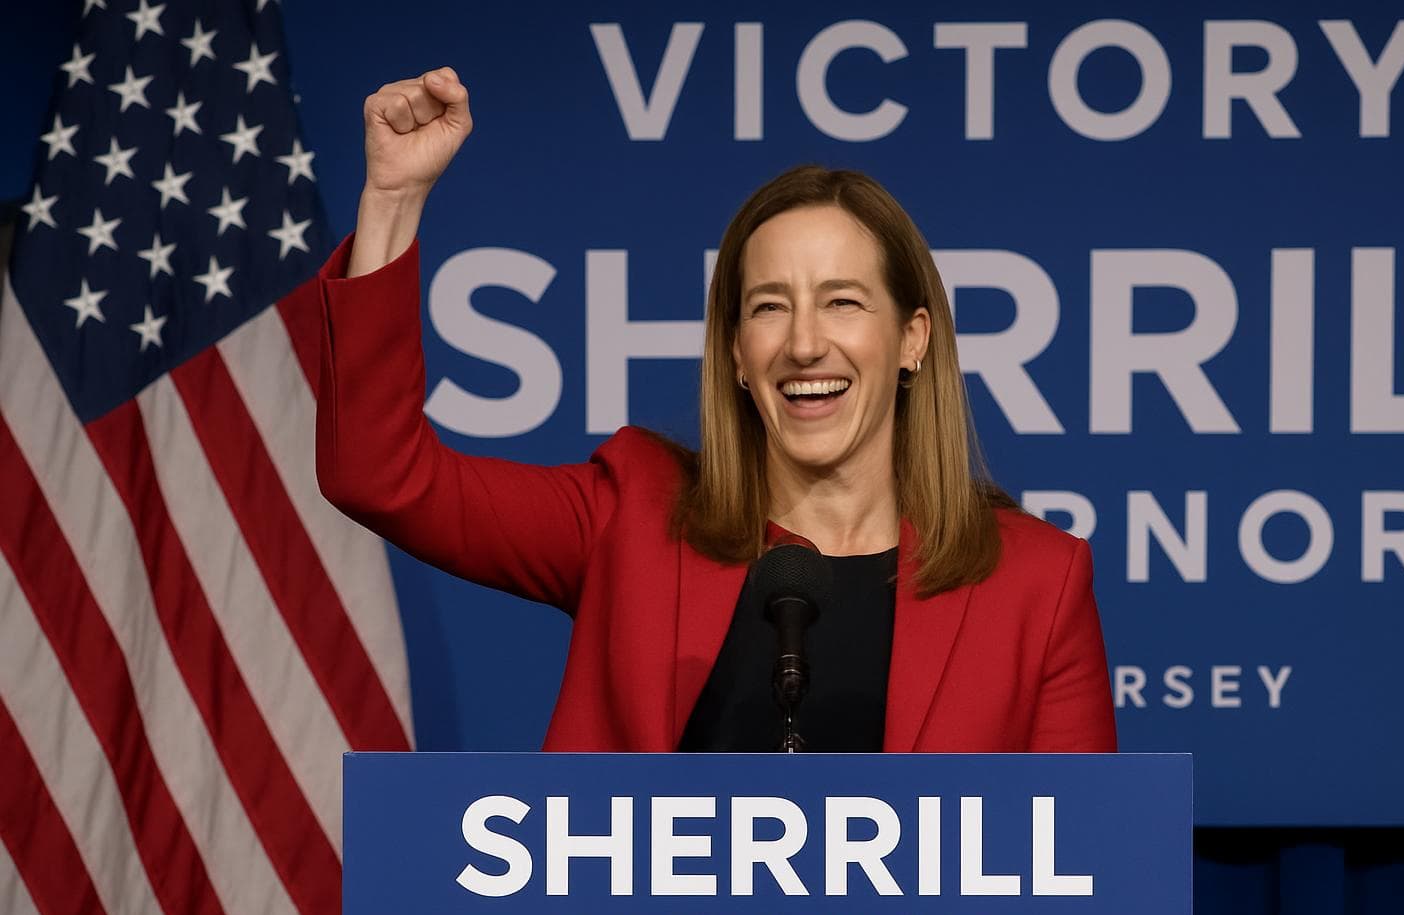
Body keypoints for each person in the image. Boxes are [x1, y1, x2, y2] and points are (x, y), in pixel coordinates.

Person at [316, 67, 1117, 753]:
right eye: (769, 307)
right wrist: (393, 199)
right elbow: (379, 475)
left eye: (842, 302)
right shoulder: (632, 518)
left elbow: (1085, 861)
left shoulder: (1034, 582)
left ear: (912, 339)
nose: (804, 344)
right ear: (736, 351)